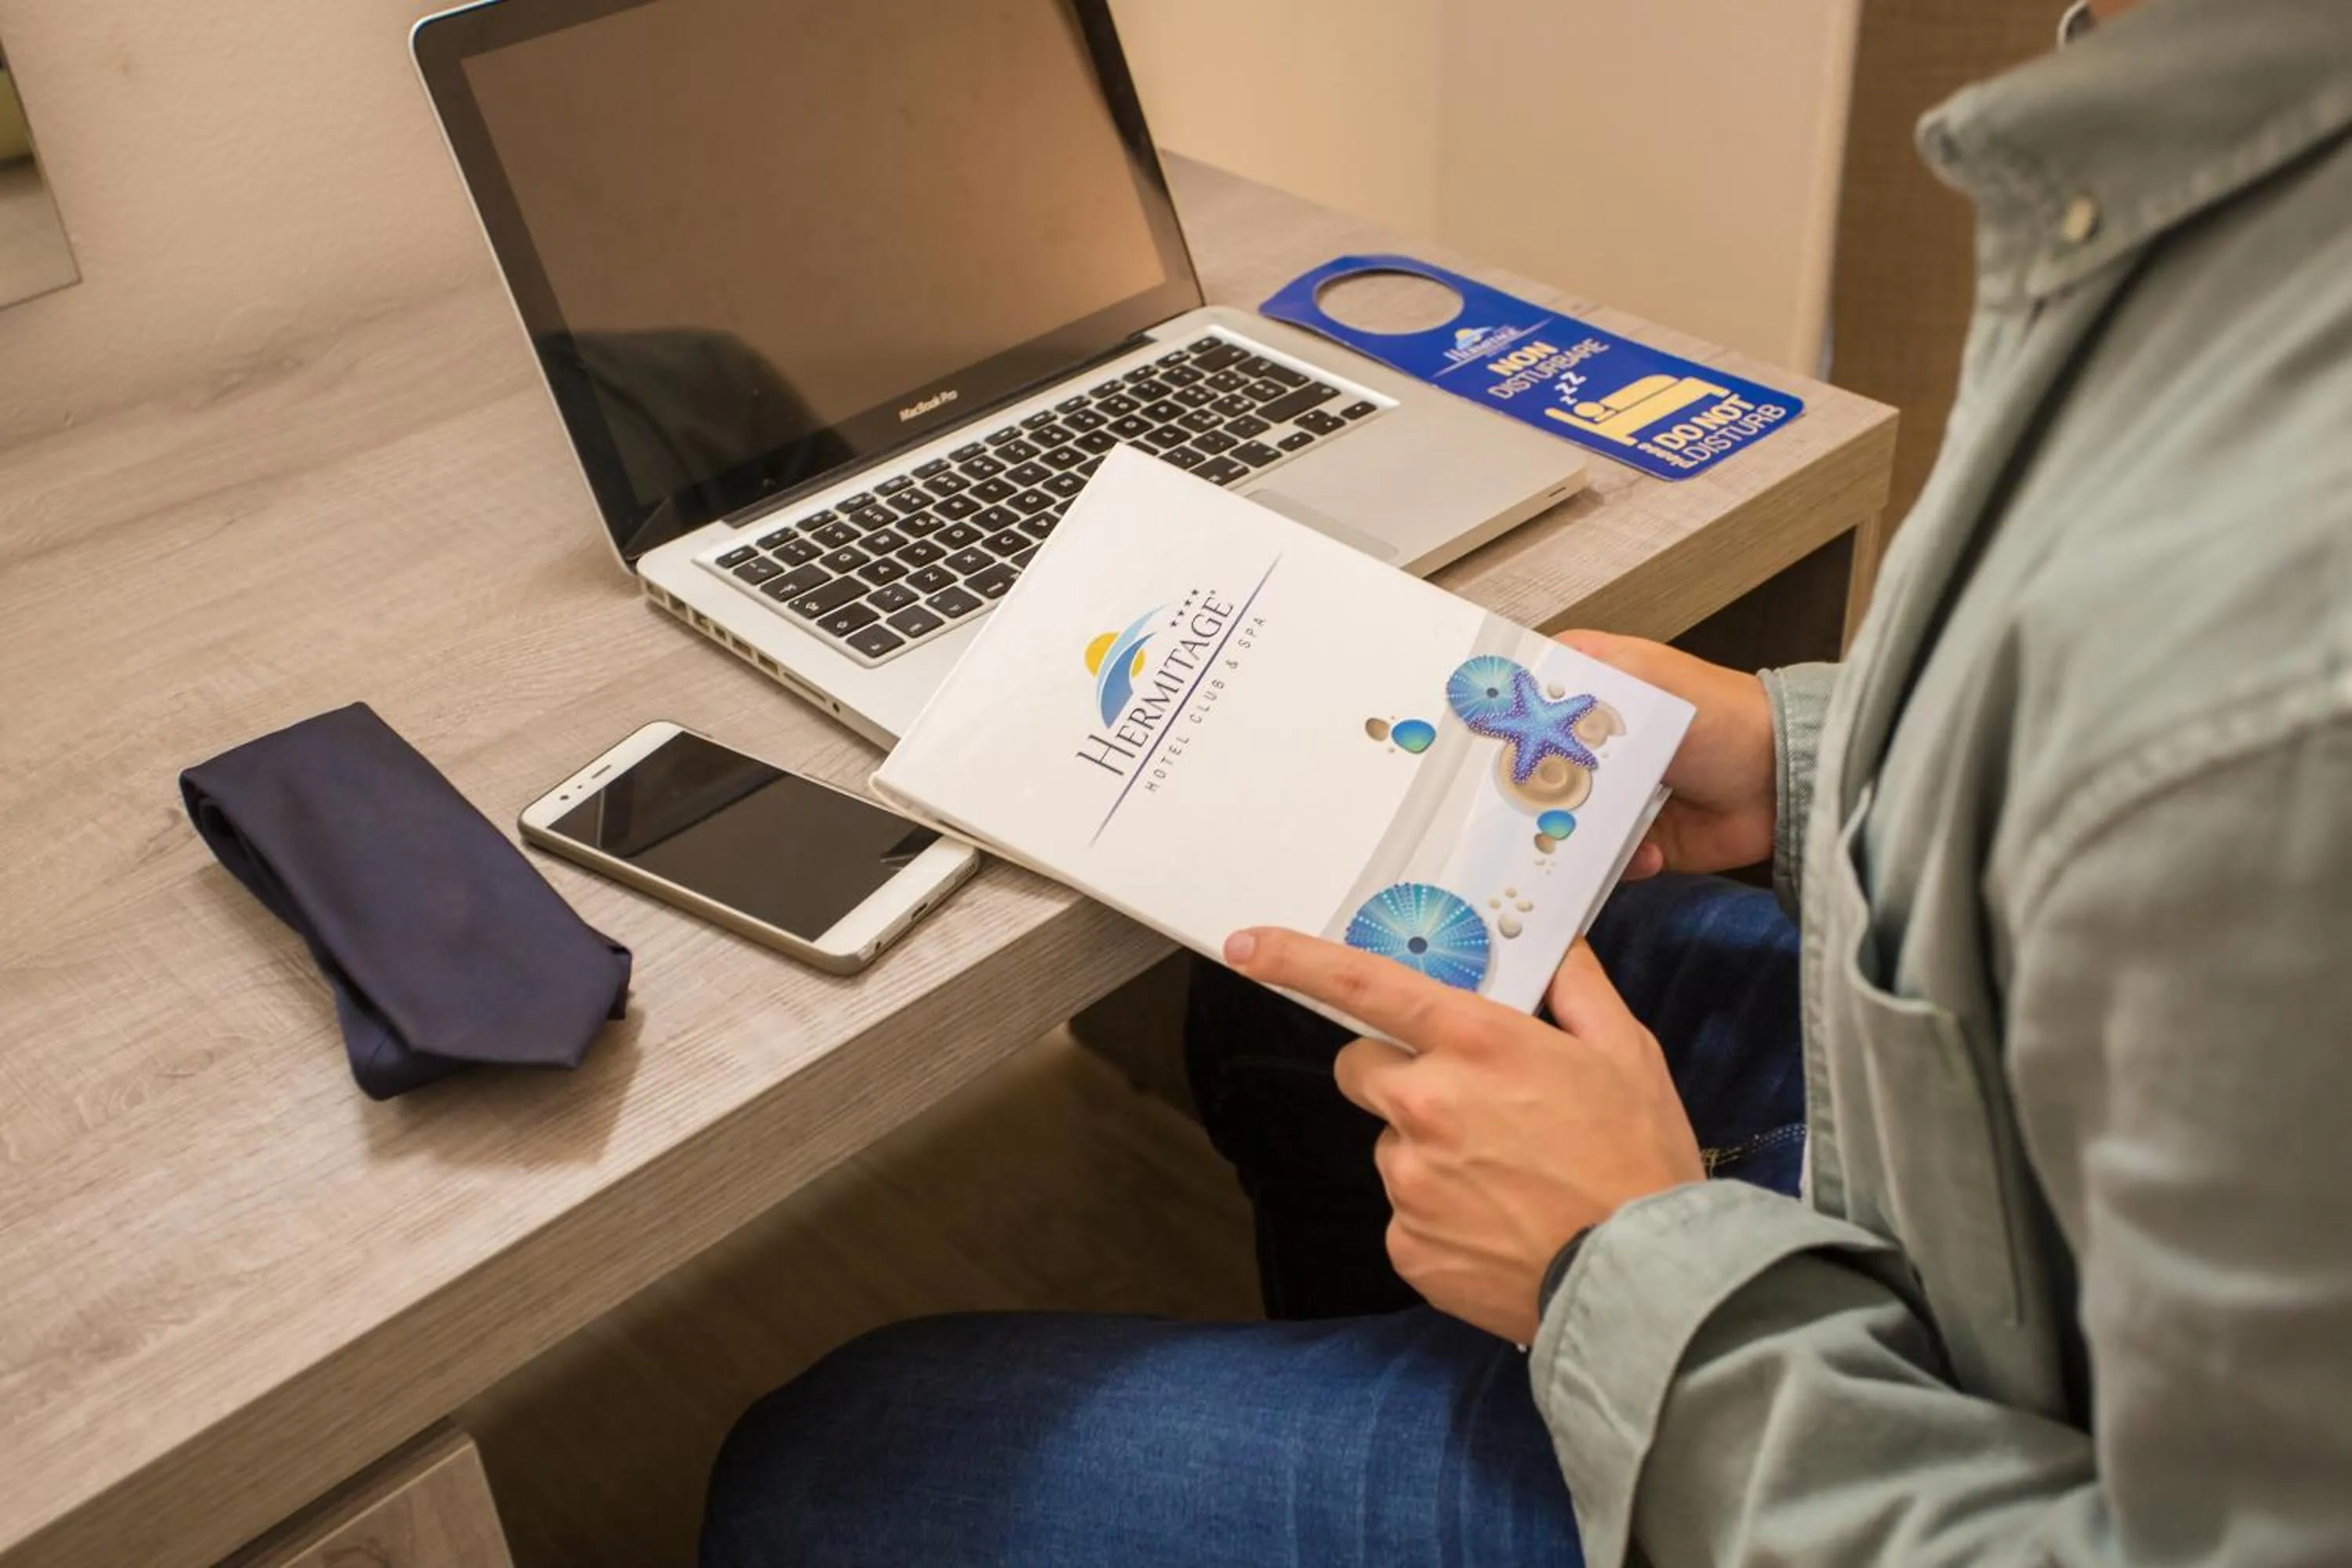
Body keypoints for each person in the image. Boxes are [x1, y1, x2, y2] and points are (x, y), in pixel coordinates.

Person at [700, 2, 2352, 1562]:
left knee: (838, 1469)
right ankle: (1448, 1380)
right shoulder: (2207, 155)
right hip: (2002, 1194)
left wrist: (1617, 1271)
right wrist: (1806, 754)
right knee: (1284, 989)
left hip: (1919, 1439)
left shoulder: (2286, 662)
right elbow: (2151, 754)